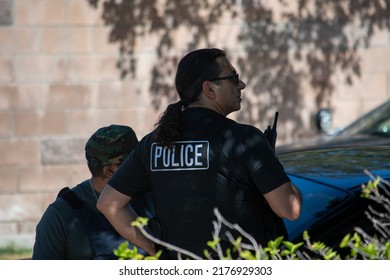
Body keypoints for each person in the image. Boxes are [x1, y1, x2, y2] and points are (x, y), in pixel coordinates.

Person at [97, 48, 302, 259]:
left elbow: (109, 203)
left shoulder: (153, 143)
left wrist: (156, 250)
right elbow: (290, 209)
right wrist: (272, 162)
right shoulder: (243, 139)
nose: (242, 85)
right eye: (234, 78)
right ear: (210, 89)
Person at [32, 124, 154, 260]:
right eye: (134, 162)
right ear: (110, 171)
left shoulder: (153, 197)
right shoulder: (61, 215)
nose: (143, 167)